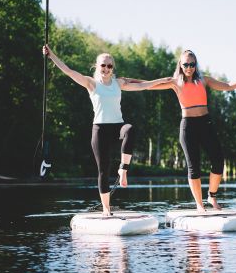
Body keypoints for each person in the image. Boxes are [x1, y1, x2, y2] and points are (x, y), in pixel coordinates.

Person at [43, 45, 171, 216]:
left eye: (109, 66)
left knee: (130, 130)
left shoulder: (118, 83)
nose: (106, 68)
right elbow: (69, 71)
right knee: (103, 170)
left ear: (113, 68)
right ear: (97, 66)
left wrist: (162, 81)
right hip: (100, 130)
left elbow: (142, 86)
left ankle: (123, 170)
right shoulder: (91, 83)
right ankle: (106, 209)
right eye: (103, 65)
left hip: (118, 126)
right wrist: (51, 56)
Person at [148, 49, 236, 212]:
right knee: (194, 167)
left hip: (205, 123)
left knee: (218, 160)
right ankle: (199, 205)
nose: (189, 67)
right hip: (188, 126)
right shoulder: (175, 82)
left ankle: (211, 196)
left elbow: (228, 87)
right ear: (180, 65)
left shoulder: (204, 80)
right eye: (186, 64)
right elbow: (149, 86)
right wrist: (126, 83)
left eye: (192, 64)